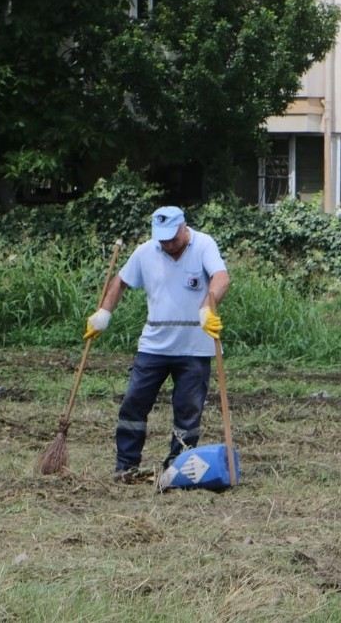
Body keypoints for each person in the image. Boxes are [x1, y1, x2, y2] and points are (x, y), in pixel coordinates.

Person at [83, 206, 231, 483]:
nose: (168, 245)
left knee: (188, 411)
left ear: (184, 228)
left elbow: (221, 278)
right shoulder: (145, 251)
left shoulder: (204, 244)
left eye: (172, 239)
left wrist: (208, 308)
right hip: (154, 346)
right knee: (133, 404)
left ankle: (177, 469)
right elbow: (120, 281)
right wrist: (103, 314)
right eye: (162, 240)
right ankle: (126, 467)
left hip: (194, 348)